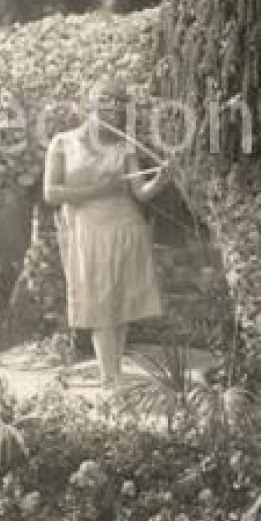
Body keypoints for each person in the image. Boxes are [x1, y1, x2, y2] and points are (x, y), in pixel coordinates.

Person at [42, 79, 172, 386]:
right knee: (99, 303)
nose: (111, 107)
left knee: (122, 302)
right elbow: (51, 193)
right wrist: (99, 189)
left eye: (117, 102)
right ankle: (109, 376)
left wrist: (162, 179)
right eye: (104, 100)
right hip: (88, 231)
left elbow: (140, 193)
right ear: (89, 103)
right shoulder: (62, 142)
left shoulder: (124, 145)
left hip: (125, 226)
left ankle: (114, 374)